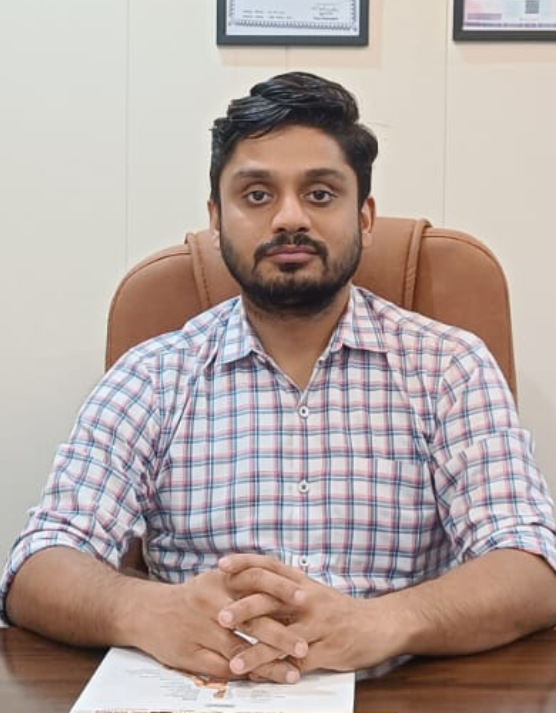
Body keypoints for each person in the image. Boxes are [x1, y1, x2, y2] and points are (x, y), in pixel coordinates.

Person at [2, 71, 556, 686]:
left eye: (320, 194)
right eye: (257, 195)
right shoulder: (153, 377)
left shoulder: (448, 367)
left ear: (365, 216)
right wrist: (145, 609)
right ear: (216, 218)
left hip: (398, 692)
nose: (290, 218)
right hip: (203, 693)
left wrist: (383, 622)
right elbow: (37, 564)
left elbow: (532, 563)